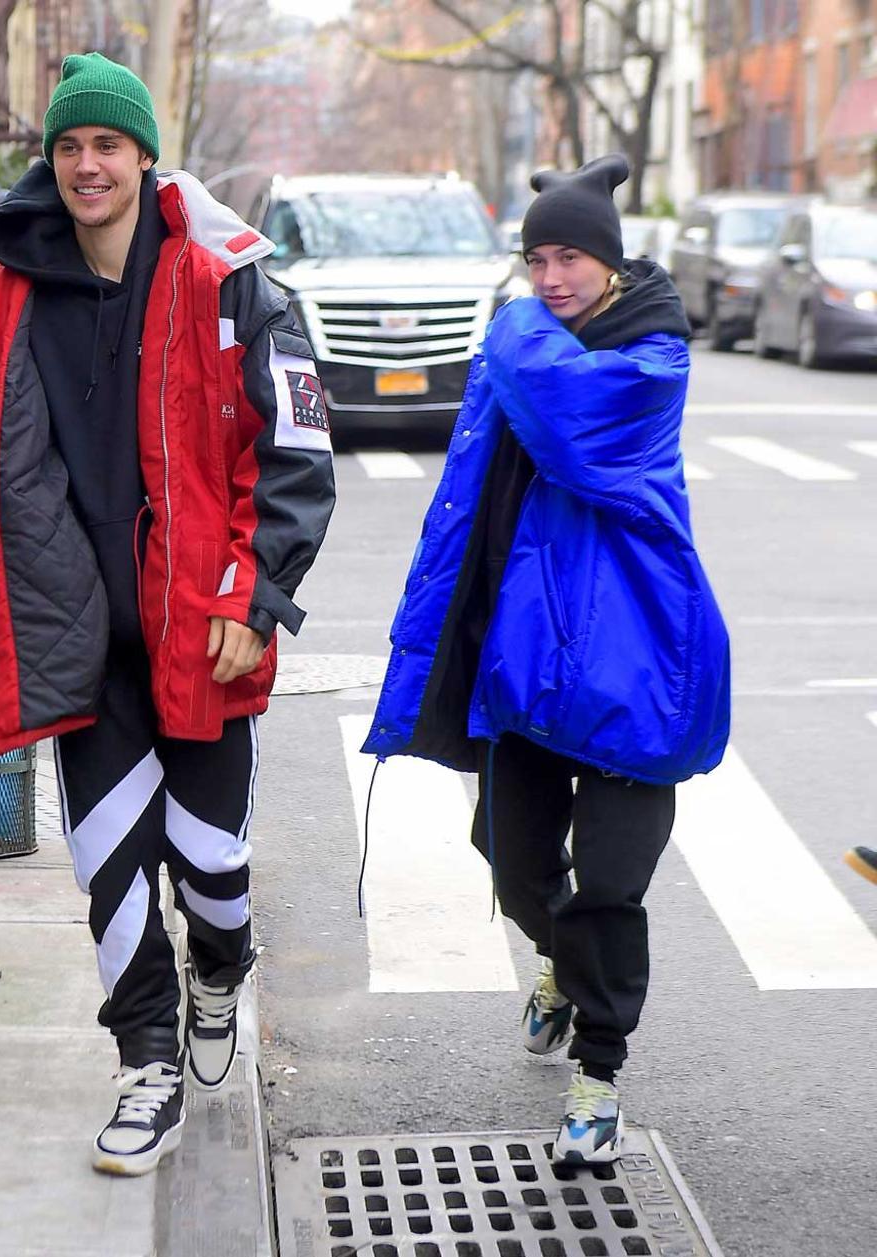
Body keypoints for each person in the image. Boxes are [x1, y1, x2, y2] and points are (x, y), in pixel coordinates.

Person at [0, 52, 335, 1175]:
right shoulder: (5, 288)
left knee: (212, 867)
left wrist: (258, 595)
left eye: (105, 145)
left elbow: (300, 450)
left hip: (202, 627)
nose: (84, 166)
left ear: (144, 155)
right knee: (112, 869)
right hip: (79, 638)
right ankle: (146, 1067)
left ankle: (223, 966)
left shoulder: (233, 280)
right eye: (67, 147)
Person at [363, 155, 730, 1166]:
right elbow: (468, 511)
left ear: (610, 263)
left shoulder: (649, 357)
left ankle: (598, 1078)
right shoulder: (527, 345)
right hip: (523, 663)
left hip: (636, 666)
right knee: (516, 869)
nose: (550, 276)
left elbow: (574, 431)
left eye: (569, 254)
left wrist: (508, 321)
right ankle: (559, 970)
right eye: (534, 259)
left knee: (607, 886)